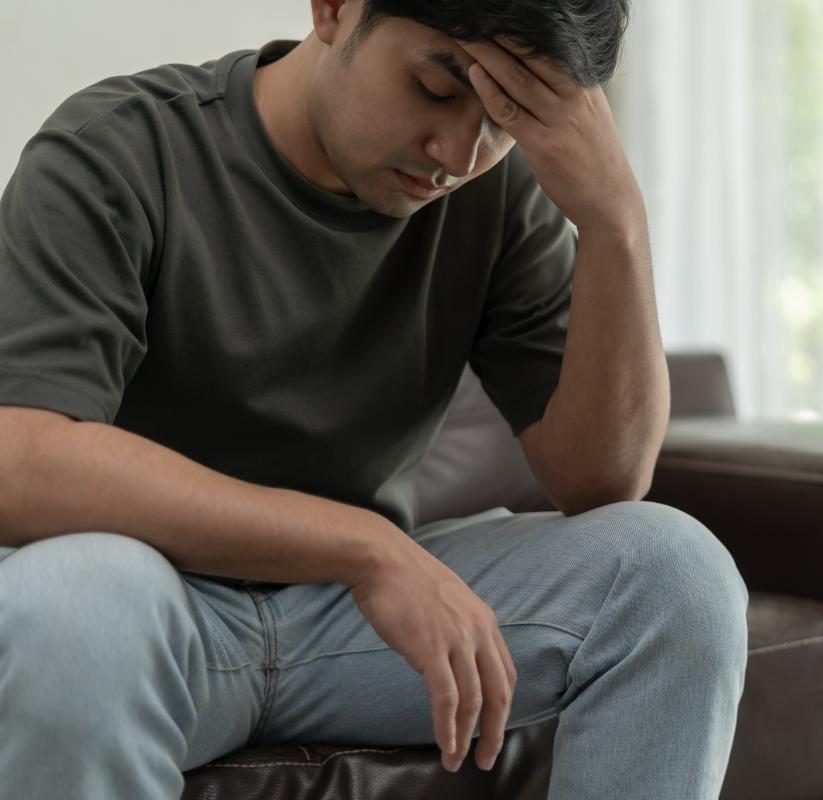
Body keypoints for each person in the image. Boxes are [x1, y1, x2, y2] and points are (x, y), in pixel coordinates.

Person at [0, 1, 750, 797]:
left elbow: (601, 482)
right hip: (153, 611)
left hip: (354, 632)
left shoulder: (495, 193)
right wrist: (365, 548)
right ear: (334, 9)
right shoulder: (119, 148)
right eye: (436, 87)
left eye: (508, 118)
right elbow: (22, 458)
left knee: (675, 576)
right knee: (71, 608)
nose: (458, 154)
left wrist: (615, 222)